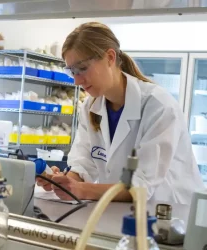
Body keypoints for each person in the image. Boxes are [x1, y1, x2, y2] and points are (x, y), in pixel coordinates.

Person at [36, 22, 204, 204]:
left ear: (109, 57)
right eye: (72, 72)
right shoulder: (90, 107)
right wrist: (64, 183)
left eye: (82, 69)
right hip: (122, 213)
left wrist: (81, 189)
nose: (76, 81)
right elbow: (84, 163)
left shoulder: (158, 105)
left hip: (174, 215)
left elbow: (140, 187)